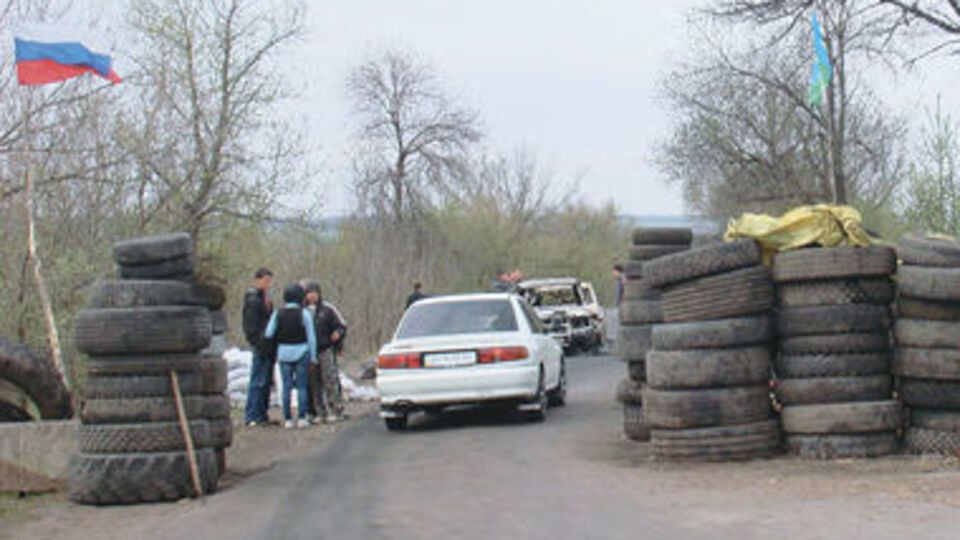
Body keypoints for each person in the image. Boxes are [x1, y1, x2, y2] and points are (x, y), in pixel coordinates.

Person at [264, 283, 317, 429]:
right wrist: (313, 358)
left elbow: (268, 333)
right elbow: (311, 337)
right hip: (302, 352)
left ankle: (287, 419)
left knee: (286, 387)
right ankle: (301, 417)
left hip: (283, 353)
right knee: (301, 386)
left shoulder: (278, 313)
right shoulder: (304, 313)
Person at [303, 281, 348, 423]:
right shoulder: (302, 311)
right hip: (310, 352)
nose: (312, 296)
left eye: (314, 293)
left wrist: (338, 336)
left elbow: (341, 326)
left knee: (330, 379)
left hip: (326, 349)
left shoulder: (327, 309)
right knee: (314, 383)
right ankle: (319, 412)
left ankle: (336, 409)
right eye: (309, 293)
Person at [242, 267, 275, 427]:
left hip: (269, 345)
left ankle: (262, 414)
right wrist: (257, 341)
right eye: (266, 281)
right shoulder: (253, 300)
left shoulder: (266, 300)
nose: (268, 284)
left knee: (267, 382)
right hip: (260, 345)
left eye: (270, 281)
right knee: (258, 381)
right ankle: (252, 415)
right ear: (258, 280)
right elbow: (250, 326)